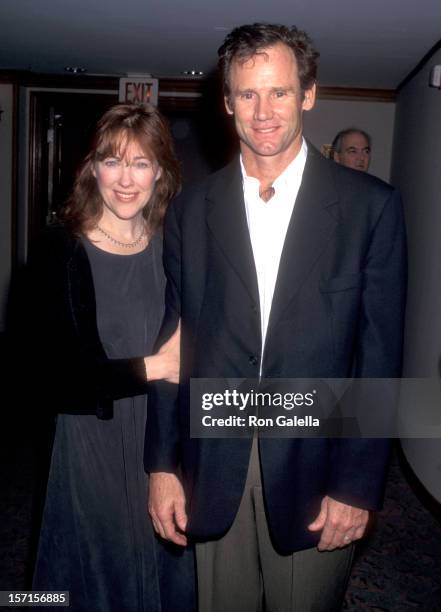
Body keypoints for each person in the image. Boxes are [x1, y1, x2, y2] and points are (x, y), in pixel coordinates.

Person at [145, 23, 406, 612]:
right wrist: (161, 466)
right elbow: (173, 347)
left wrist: (357, 486)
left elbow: (380, 356)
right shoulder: (190, 212)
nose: (263, 112)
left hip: (319, 466)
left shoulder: (372, 209)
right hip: (213, 460)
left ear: (308, 94)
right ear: (228, 101)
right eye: (247, 94)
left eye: (280, 92)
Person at [26, 103, 195, 611]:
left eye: (141, 163)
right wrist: (153, 367)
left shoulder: (172, 247)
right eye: (113, 161)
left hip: (161, 433)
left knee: (166, 565)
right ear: (91, 167)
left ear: (160, 172)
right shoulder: (61, 251)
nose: (126, 179)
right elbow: (49, 378)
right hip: (92, 439)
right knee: (97, 572)